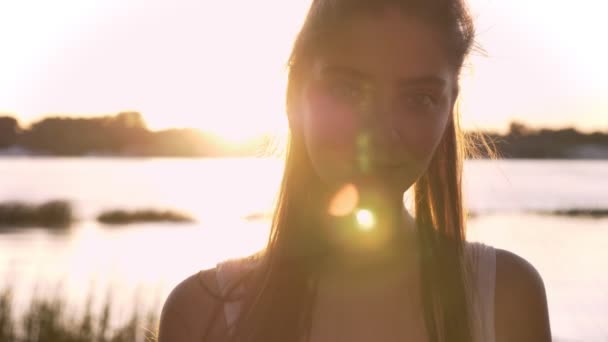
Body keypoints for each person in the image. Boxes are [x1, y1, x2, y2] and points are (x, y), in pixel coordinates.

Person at [158, 0, 552, 341]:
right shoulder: (201, 317)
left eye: (420, 98)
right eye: (347, 90)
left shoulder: (506, 299)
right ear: (295, 95)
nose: (379, 133)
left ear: (449, 108)